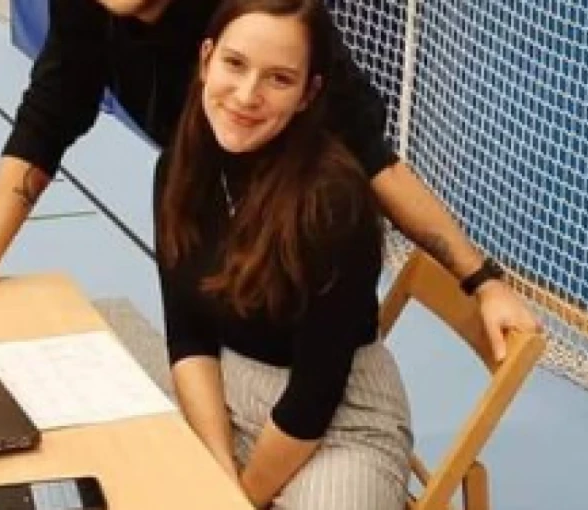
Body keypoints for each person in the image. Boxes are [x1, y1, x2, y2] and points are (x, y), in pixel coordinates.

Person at [0, 0, 541, 362]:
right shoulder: (87, 10)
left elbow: (377, 163)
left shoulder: (265, 21)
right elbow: (42, 128)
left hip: (292, 254)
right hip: (209, 232)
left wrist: (482, 281)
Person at [157, 0, 410, 507]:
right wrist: (220, 472)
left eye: (279, 79)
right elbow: (189, 338)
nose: (246, 95)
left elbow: (314, 399)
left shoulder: (333, 201)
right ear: (206, 60)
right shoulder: (180, 170)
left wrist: (240, 499)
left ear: (307, 95)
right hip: (229, 394)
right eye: (235, 64)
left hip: (337, 421)